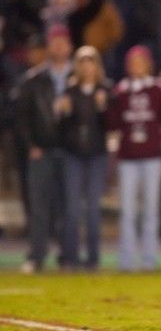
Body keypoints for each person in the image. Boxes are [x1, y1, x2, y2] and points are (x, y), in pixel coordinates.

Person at [15, 24, 73, 273]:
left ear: (69, 45)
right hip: (42, 149)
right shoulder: (33, 79)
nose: (59, 46)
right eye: (54, 41)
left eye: (63, 41)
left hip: (71, 152)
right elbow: (22, 118)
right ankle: (36, 256)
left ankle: (67, 257)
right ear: (48, 46)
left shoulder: (80, 77)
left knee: (68, 208)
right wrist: (31, 146)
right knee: (39, 207)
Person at [108, 46, 161, 271]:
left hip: (152, 155)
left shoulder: (157, 88)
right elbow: (112, 123)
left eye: (140, 62)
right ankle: (126, 261)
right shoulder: (121, 90)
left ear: (148, 64)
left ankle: (149, 260)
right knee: (127, 210)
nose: (136, 66)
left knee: (151, 210)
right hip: (128, 156)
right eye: (132, 62)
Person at [58, 46, 111, 270]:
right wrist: (64, 113)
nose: (87, 67)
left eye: (91, 62)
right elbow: (61, 128)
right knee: (71, 208)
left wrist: (102, 108)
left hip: (97, 155)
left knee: (93, 208)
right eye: (83, 63)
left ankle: (93, 258)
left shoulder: (105, 90)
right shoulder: (70, 91)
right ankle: (70, 257)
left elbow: (111, 125)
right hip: (73, 155)